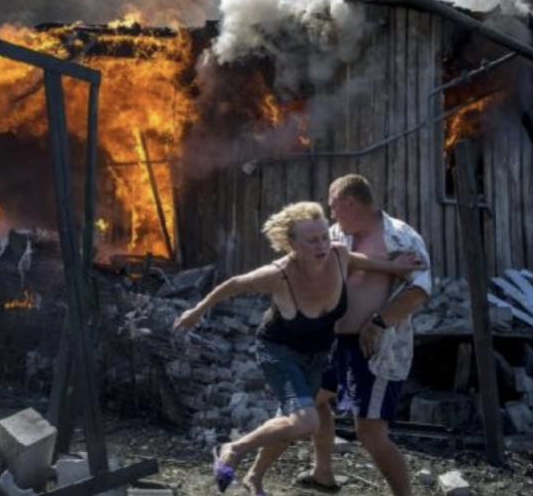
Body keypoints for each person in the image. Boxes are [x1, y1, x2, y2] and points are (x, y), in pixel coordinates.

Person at [172, 201, 423, 495]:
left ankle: (295, 475)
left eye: (324, 237)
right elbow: (233, 284)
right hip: (279, 352)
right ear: (292, 243)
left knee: (303, 416)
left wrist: (393, 266)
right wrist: (196, 312)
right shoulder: (278, 274)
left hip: (317, 355)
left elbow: (362, 262)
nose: (322, 246)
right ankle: (233, 448)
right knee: (305, 421)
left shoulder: (339, 256)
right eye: (312, 240)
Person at [298, 175, 433, 496]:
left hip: (374, 346)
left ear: (350, 203)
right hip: (333, 343)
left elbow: (421, 289)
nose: (333, 216)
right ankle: (323, 473)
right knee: (309, 400)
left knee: (370, 433)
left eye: (334, 208)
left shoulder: (399, 236)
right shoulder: (336, 235)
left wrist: (378, 323)